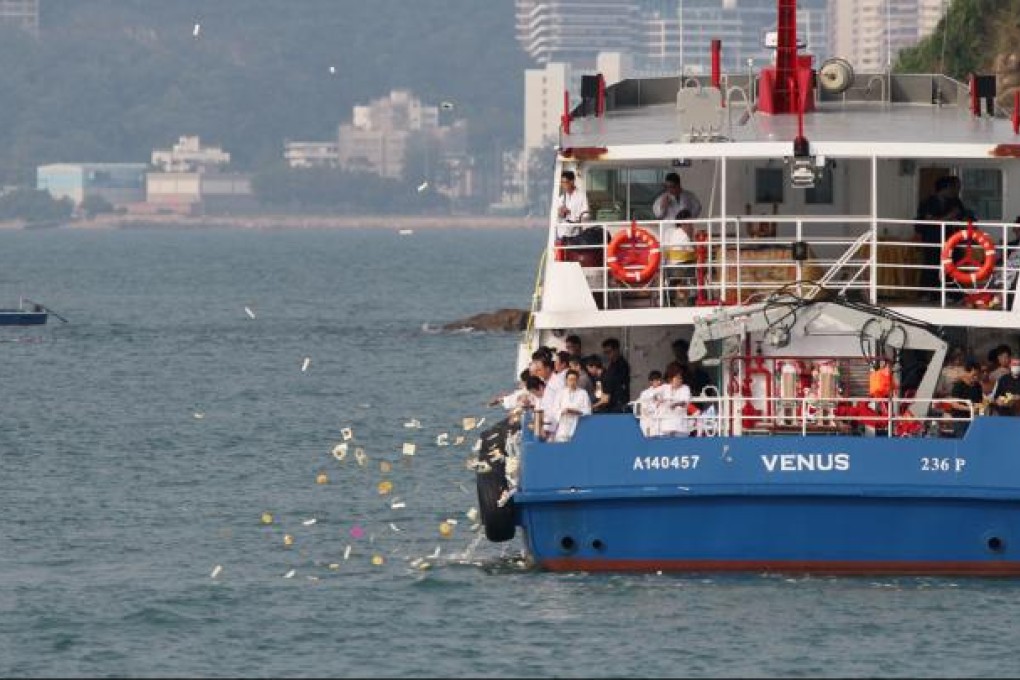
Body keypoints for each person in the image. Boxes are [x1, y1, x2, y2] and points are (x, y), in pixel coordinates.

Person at [914, 175, 970, 299]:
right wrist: (949, 217)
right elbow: (928, 220)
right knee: (932, 266)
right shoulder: (928, 202)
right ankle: (930, 294)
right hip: (933, 240)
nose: (958, 191)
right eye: (956, 187)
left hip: (951, 240)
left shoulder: (956, 202)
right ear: (947, 187)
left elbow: (963, 216)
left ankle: (952, 294)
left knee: (952, 266)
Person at [553, 369, 592, 442]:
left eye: (574, 379)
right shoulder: (560, 393)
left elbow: (588, 410)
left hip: (578, 426)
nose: (572, 382)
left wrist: (577, 412)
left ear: (577, 380)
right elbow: (555, 410)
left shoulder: (583, 393)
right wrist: (563, 411)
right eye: (570, 379)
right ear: (566, 380)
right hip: (563, 428)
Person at [948, 360, 984, 437]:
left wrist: (980, 406)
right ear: (967, 372)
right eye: (974, 375)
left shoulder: (978, 386)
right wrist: (970, 408)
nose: (976, 377)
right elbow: (955, 404)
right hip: (960, 419)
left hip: (974, 419)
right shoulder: (958, 385)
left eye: (978, 375)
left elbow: (979, 402)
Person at [556, 170, 590, 239]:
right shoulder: (561, 198)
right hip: (562, 233)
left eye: (564, 182)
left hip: (575, 234)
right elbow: (558, 216)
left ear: (572, 182)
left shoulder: (581, 196)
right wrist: (560, 212)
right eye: (561, 183)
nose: (563, 185)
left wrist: (571, 213)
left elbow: (586, 215)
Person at [600, 337, 631, 413]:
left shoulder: (622, 365)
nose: (607, 355)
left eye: (609, 352)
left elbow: (613, 382)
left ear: (616, 350)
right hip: (610, 402)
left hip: (618, 403)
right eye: (605, 353)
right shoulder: (611, 364)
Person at [658, 370, 693, 437]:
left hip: (680, 426)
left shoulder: (685, 388)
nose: (680, 380)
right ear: (671, 380)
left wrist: (676, 404)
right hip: (666, 426)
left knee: (680, 446)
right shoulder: (665, 387)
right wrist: (657, 400)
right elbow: (653, 393)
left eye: (680, 378)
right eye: (677, 378)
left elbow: (685, 401)